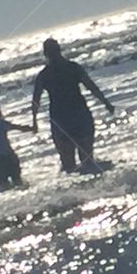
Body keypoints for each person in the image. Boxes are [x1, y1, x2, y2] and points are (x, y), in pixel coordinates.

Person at [32, 38, 114, 173]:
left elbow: (36, 100)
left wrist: (34, 121)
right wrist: (106, 103)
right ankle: (91, 184)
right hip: (78, 115)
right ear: (59, 50)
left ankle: (80, 189)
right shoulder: (72, 67)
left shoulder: (45, 75)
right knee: (85, 160)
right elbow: (91, 87)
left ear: (45, 53)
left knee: (69, 164)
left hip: (62, 119)